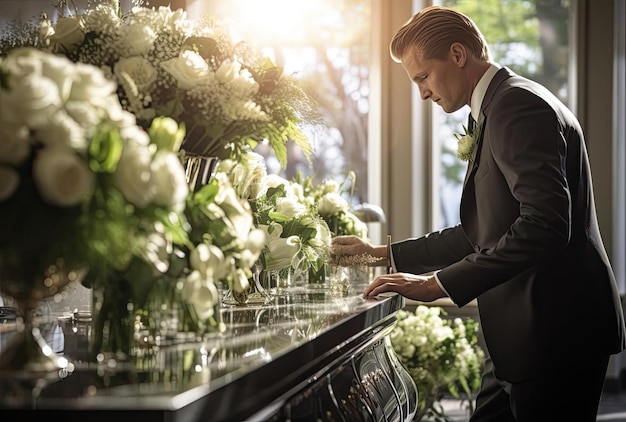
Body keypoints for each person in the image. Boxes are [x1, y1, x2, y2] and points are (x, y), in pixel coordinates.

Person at [332, 5, 626, 421]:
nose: (422, 94)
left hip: (554, 337)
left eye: (423, 77)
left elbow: (545, 226)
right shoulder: (499, 106)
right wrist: (382, 254)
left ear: (457, 55)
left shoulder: (516, 105)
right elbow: (480, 231)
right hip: (518, 340)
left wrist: (437, 285)